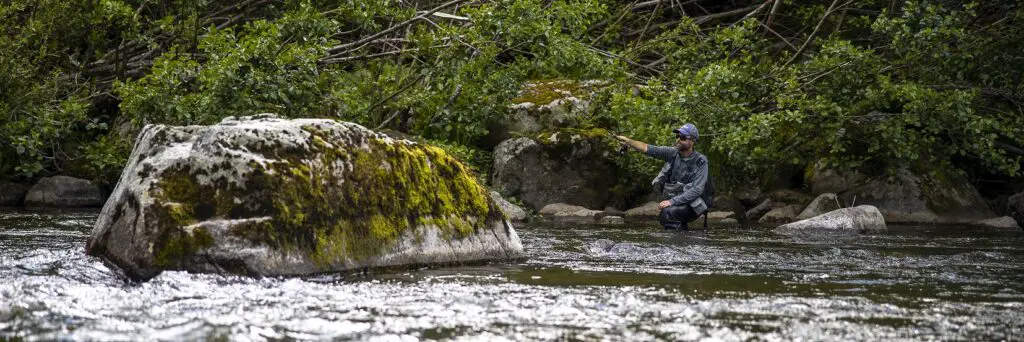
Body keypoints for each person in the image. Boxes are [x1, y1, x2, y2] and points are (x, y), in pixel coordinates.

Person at [616, 123, 711, 230]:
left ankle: (676, 241)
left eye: (683, 137)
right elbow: (646, 148)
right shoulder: (672, 153)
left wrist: (671, 202)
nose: (679, 139)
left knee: (667, 214)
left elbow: (696, 190)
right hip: (677, 202)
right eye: (677, 136)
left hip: (694, 205)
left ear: (693, 141)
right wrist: (628, 141)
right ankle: (682, 240)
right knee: (668, 214)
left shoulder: (701, 161)